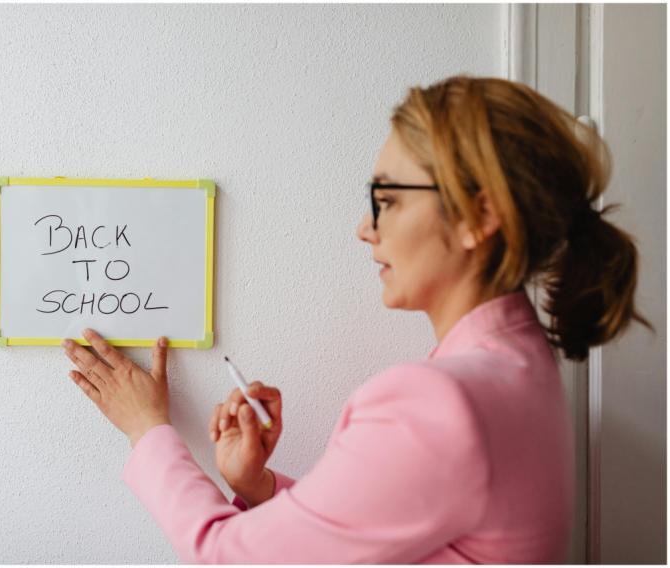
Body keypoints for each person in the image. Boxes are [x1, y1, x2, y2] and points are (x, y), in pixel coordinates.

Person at [61, 75, 652, 563]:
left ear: (480, 216)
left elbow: (229, 557)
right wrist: (259, 489)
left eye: (388, 201)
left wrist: (147, 429)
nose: (366, 228)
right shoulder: (520, 365)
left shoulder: (439, 403)